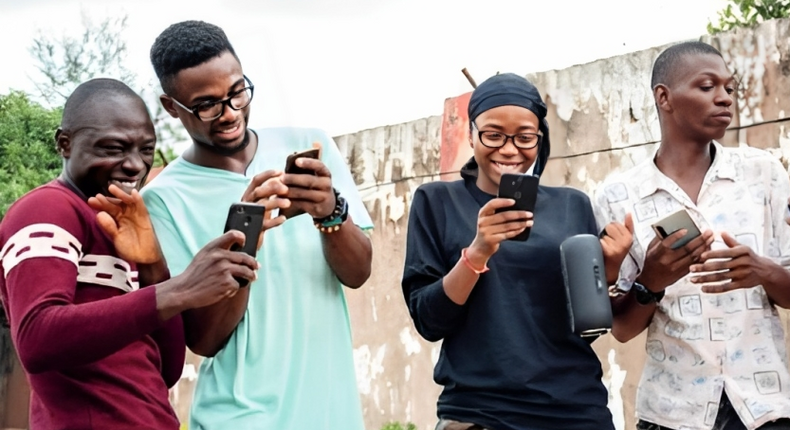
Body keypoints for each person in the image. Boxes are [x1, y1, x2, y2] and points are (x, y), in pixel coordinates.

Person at [144, 20, 373, 430]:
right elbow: (205, 340)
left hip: (330, 411)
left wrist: (329, 212)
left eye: (237, 92)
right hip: (240, 417)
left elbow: (357, 274)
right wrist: (245, 233)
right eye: (207, 104)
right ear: (170, 107)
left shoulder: (308, 144)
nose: (230, 114)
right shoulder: (164, 200)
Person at [0, 78, 261, 430]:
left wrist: (154, 266)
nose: (135, 165)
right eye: (114, 148)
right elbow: (37, 338)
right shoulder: (48, 208)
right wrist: (180, 288)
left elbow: (165, 371)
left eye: (146, 150)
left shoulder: (120, 225)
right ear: (64, 143)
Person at [401, 73, 634, 430]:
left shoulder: (572, 205)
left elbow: (590, 325)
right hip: (480, 414)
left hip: (574, 411)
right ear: (471, 134)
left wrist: (611, 268)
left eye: (525, 137)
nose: (509, 150)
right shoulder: (437, 202)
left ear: (540, 139)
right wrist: (477, 252)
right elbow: (429, 321)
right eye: (493, 135)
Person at [595, 41, 790, 430]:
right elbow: (622, 329)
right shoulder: (619, 195)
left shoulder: (763, 173)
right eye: (707, 87)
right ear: (664, 97)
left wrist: (763, 271)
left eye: (729, 89)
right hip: (672, 413)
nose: (724, 98)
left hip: (765, 408)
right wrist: (651, 281)